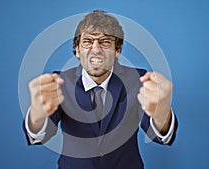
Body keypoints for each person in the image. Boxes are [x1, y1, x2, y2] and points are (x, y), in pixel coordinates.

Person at [24, 10, 178, 169]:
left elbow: (161, 137)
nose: (96, 49)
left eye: (105, 41)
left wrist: (161, 113)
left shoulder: (138, 80)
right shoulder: (59, 83)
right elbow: (39, 137)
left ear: (117, 50)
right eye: (88, 41)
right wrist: (37, 114)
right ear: (77, 50)